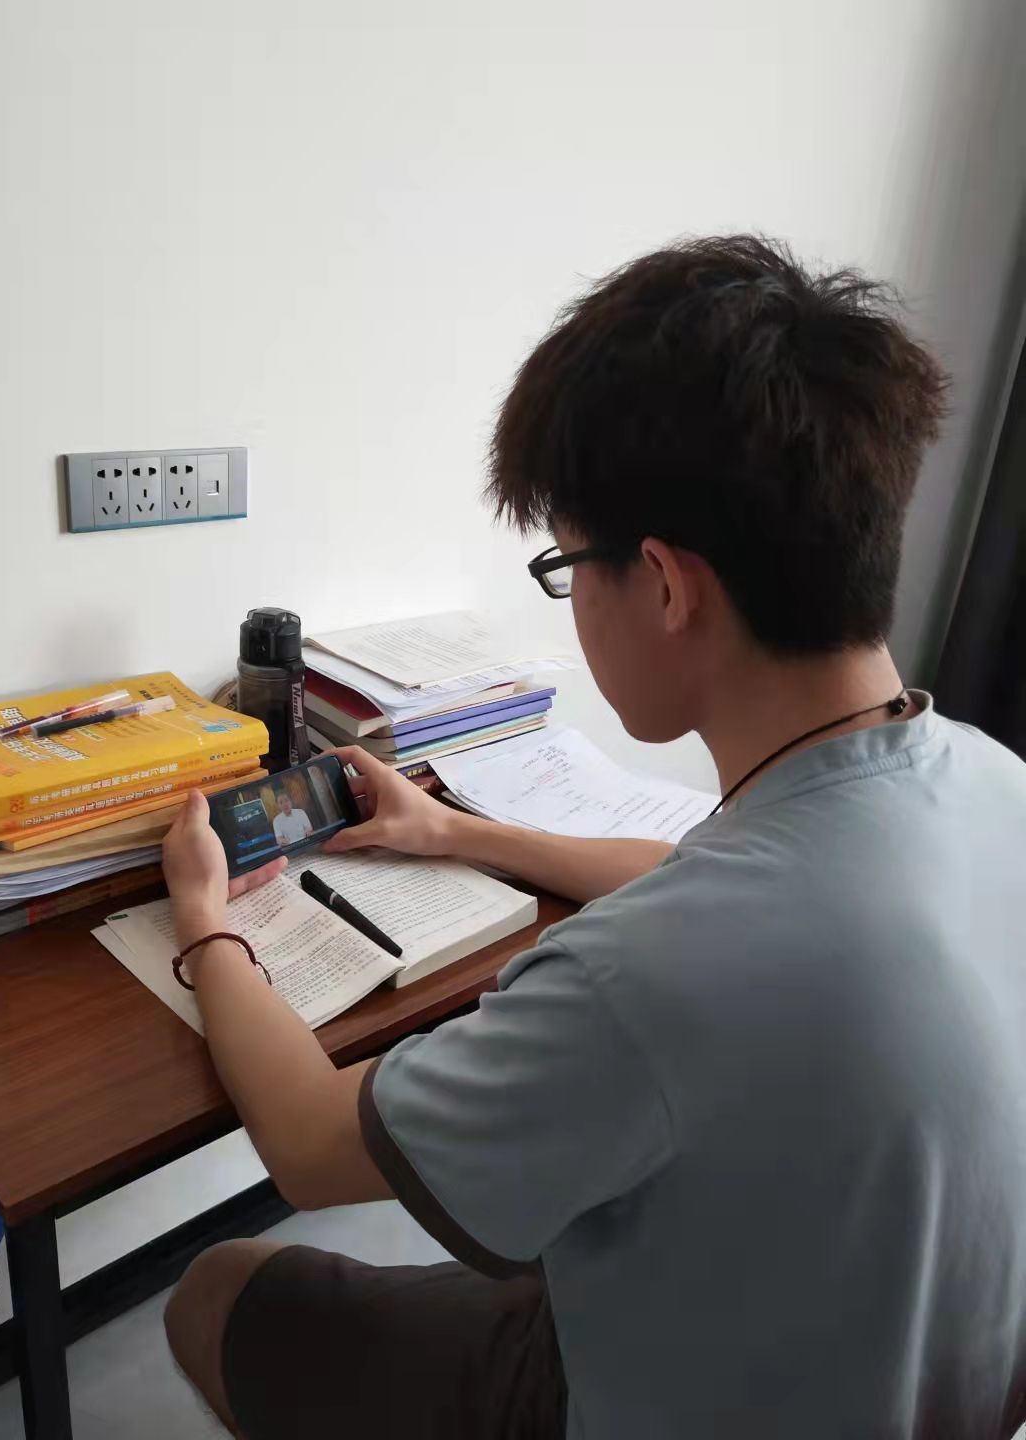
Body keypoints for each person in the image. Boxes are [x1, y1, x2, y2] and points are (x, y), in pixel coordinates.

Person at [161, 236, 1026, 1439]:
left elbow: (308, 1145)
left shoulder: (654, 975)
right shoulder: (992, 782)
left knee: (217, 1289)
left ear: (665, 585)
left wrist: (204, 923)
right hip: (888, 1356)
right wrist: (456, 832)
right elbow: (715, 884)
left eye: (566, 566)